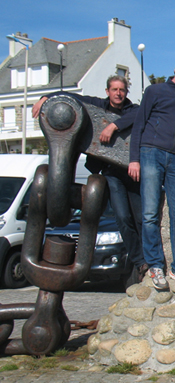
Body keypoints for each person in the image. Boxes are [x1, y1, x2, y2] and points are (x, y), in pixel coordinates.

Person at [32, 75, 148, 281]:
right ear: (107, 92)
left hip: (132, 172)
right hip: (111, 172)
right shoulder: (97, 105)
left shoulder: (134, 110)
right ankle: (141, 262)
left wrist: (113, 126)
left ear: (126, 92)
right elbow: (71, 97)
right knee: (122, 217)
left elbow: (140, 114)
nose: (118, 93)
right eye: (114, 90)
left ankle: (148, 260)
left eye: (122, 90)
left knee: (141, 219)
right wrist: (46, 97)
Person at [128, 55, 175, 291]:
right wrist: (134, 159)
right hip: (151, 151)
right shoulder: (155, 91)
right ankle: (155, 265)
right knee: (150, 213)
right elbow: (139, 124)